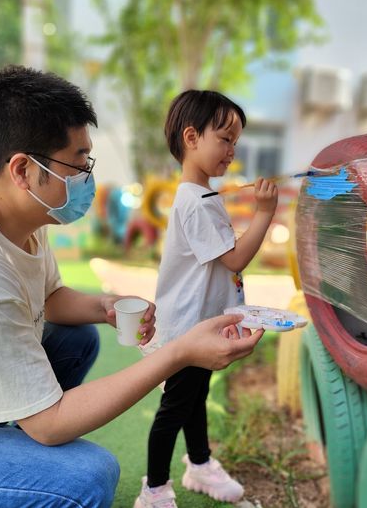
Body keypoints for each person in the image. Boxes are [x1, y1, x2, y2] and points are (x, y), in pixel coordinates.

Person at [0, 66, 265, 508]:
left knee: (75, 339)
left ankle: (2, 447)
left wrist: (103, 305)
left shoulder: (8, 214)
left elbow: (51, 298)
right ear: (23, 169)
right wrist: (179, 352)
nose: (86, 176)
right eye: (78, 163)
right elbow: (51, 423)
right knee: (84, 478)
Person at [135, 90, 278, 508]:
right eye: (225, 138)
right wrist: (265, 214)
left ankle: (199, 465)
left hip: (201, 323)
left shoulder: (204, 196)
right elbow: (235, 257)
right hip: (187, 329)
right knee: (175, 407)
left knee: (196, 397)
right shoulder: (195, 203)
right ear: (192, 137)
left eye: (236, 141)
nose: (232, 150)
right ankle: (154, 490)